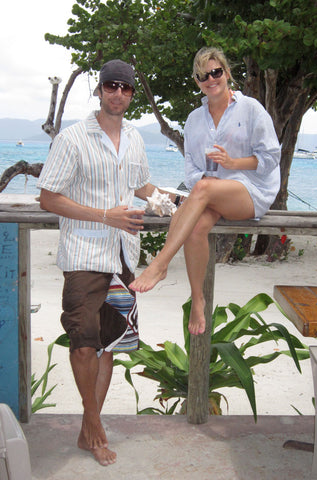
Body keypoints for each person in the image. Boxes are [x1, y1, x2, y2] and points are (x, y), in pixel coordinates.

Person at [37, 59, 179, 466]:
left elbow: (138, 184)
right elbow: (48, 197)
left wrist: (171, 202)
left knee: (108, 345)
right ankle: (95, 425)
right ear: (99, 90)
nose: (118, 93)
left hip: (123, 256)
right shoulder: (72, 138)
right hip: (84, 253)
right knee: (83, 342)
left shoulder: (135, 138)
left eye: (126, 88)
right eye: (111, 86)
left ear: (132, 94)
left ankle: (88, 432)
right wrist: (106, 215)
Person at [129, 47, 281, 336]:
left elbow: (272, 157)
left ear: (226, 72)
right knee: (196, 225)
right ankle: (197, 300)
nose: (211, 79)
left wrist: (233, 163)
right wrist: (208, 184)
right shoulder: (194, 120)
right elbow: (192, 169)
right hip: (211, 193)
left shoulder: (250, 109)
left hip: (251, 191)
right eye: (203, 75)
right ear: (197, 80)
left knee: (202, 189)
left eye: (216, 72)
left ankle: (160, 265)